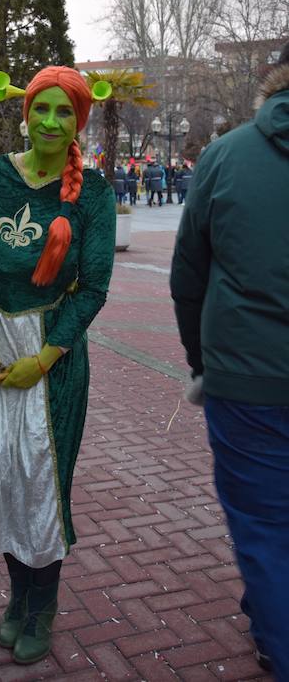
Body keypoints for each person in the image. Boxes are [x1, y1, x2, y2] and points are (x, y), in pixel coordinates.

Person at [0, 66, 116, 665]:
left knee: (42, 483)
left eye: (64, 112)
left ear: (79, 121)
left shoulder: (94, 194)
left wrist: (44, 360)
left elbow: (93, 289)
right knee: (0, 474)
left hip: (51, 359)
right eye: (41, 108)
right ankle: (18, 595)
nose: (50, 121)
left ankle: (42, 605)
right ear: (25, 114)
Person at [170, 43, 289, 679]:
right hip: (247, 378)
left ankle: (276, 631)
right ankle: (269, 617)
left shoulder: (226, 155)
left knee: (264, 528)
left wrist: (201, 363)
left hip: (246, 379)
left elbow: (188, 276)